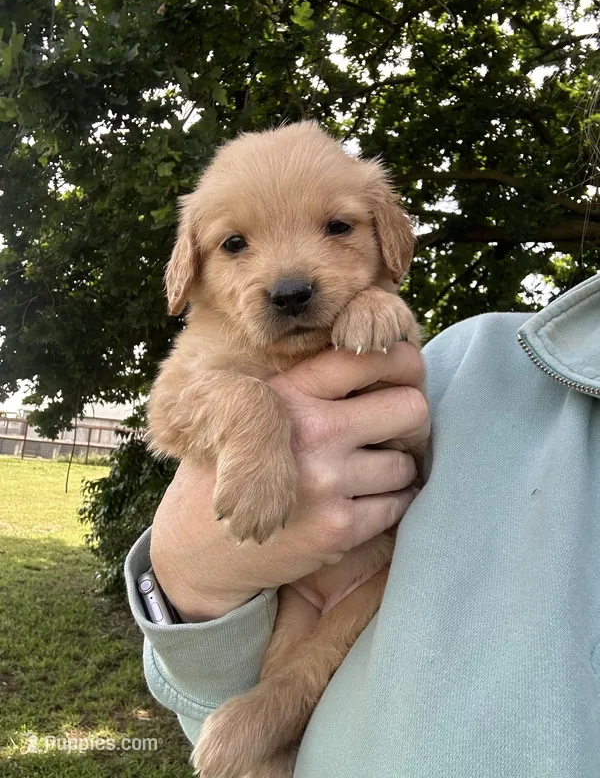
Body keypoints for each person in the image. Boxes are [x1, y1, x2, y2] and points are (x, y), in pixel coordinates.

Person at [125, 271, 600, 777]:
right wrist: (185, 574)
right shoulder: (476, 358)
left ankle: (273, 731)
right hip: (289, 593)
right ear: (189, 268)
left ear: (388, 239)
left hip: (366, 581)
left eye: (337, 227)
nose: (289, 274)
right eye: (236, 244)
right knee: (251, 728)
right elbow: (171, 411)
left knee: (270, 710)